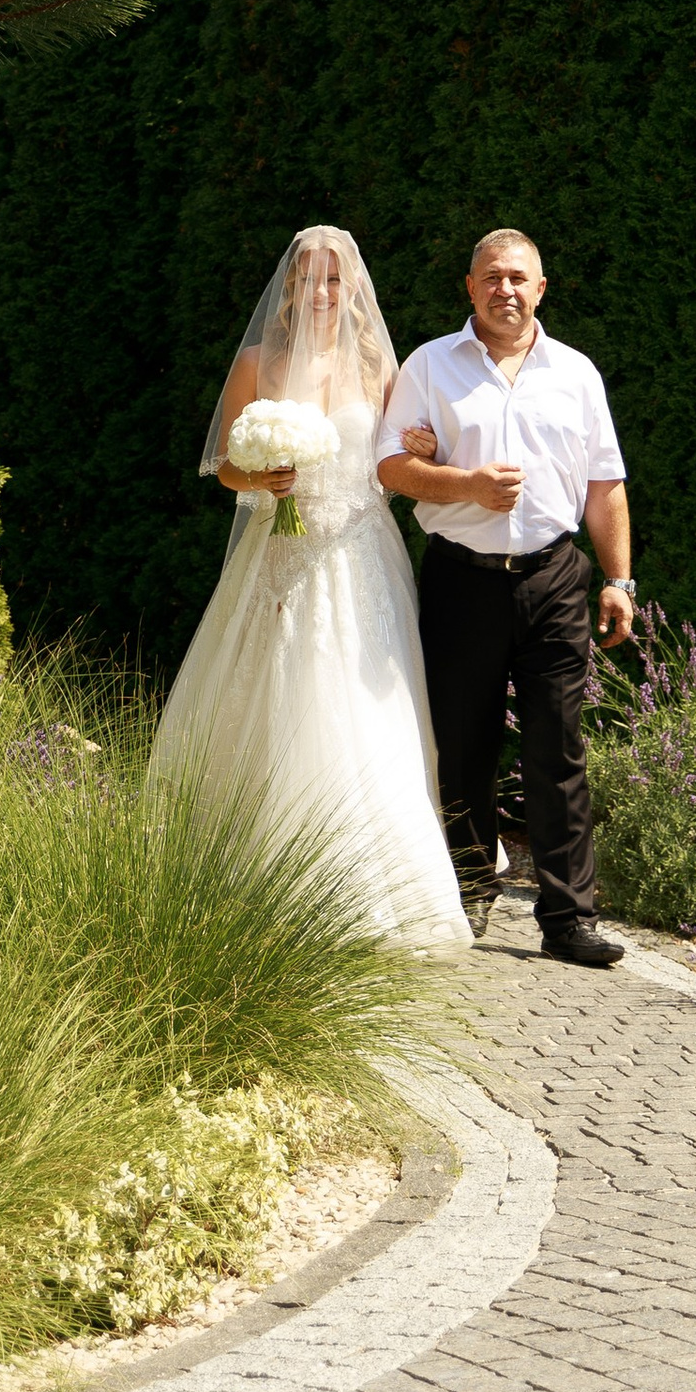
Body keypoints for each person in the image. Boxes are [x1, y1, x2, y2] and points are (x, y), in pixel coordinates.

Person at [147, 225, 469, 948]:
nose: (322, 292)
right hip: (278, 554)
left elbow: (408, 454)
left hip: (359, 552)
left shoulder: (383, 367)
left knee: (362, 704)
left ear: (352, 287)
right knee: (276, 692)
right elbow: (224, 465)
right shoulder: (260, 364)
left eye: (334, 279)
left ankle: (367, 887)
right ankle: (254, 871)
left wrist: (423, 446)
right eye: (308, 279)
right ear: (288, 288)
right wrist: (257, 476)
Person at [376, 227, 634, 970]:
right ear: (470, 287)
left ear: (541, 288)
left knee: (558, 748)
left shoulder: (576, 373)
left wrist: (618, 579)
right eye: (492, 277)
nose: (506, 290)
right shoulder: (429, 366)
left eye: (519, 277)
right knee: (463, 747)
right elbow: (390, 467)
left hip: (555, 577)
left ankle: (567, 919)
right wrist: (467, 486)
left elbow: (604, 484)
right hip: (461, 577)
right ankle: (467, 891)